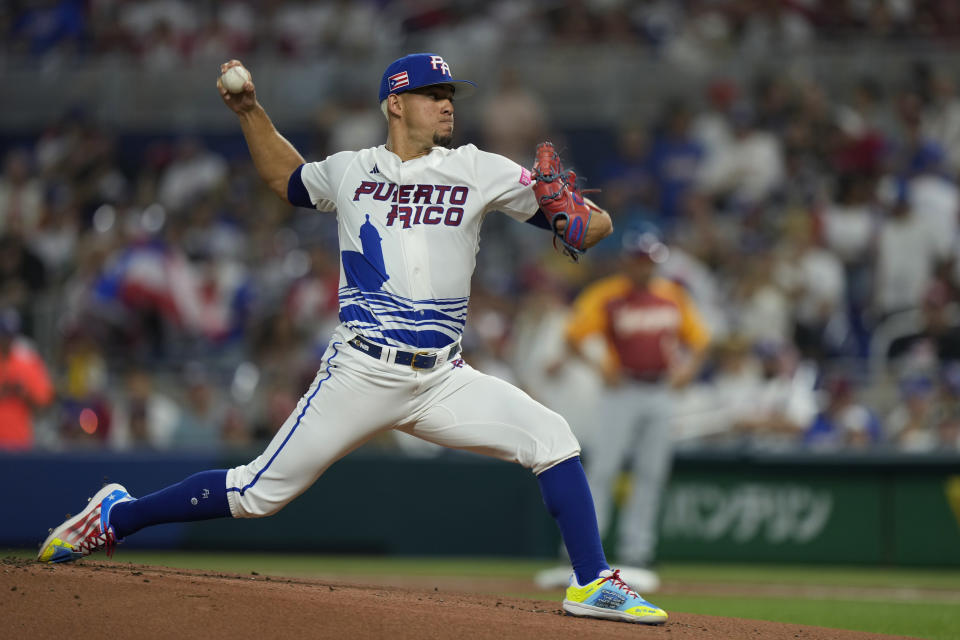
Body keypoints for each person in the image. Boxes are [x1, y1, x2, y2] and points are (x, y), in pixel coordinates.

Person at [37, 53, 668, 626]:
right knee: (256, 494)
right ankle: (116, 516)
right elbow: (284, 181)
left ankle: (591, 583)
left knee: (552, 437)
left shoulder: (481, 169)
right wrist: (252, 113)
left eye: (450, 93)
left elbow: (590, 230)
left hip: (442, 377)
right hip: (361, 372)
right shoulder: (350, 171)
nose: (446, 103)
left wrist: (575, 210)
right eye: (430, 92)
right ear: (396, 103)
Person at [546, 231, 710, 591]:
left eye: (650, 261)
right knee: (603, 468)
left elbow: (699, 340)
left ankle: (639, 550)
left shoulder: (672, 296)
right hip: (621, 392)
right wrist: (598, 364)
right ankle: (582, 549)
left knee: (652, 473)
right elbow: (573, 335)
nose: (645, 267)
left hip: (660, 391)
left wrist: (689, 369)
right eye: (640, 260)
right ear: (627, 261)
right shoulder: (608, 295)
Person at [0, 307, 54, 451]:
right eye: (4, 335)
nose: (7, 340)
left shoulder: (28, 362)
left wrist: (24, 394)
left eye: (10, 336)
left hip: (19, 443)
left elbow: (43, 405)